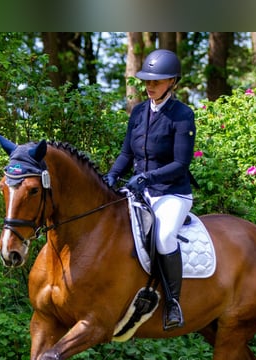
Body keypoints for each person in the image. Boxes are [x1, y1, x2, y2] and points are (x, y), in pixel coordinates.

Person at [105, 49, 196, 331]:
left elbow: (181, 164)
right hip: (139, 191)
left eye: (157, 81)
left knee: (165, 237)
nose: (150, 85)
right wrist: (111, 176)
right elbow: (125, 154)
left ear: (173, 82)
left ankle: (172, 303)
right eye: (146, 80)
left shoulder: (182, 115)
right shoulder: (139, 111)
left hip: (171, 192)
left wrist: (146, 178)